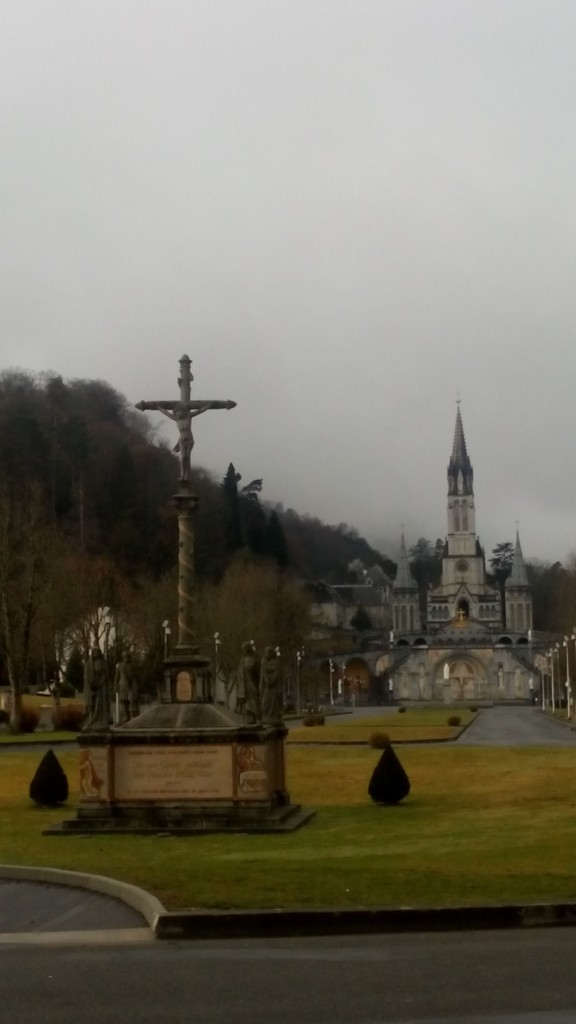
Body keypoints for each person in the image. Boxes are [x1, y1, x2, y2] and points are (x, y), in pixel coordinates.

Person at [83, 645, 110, 730]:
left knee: (100, 704)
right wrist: (91, 684)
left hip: (101, 687)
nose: (96, 654)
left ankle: (100, 721)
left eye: (97, 652)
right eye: (94, 652)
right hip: (91, 687)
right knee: (92, 705)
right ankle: (91, 721)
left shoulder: (103, 663)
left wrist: (100, 683)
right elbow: (86, 676)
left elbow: (105, 674)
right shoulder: (88, 664)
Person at [260, 646, 283, 725]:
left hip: (274, 686)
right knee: (265, 703)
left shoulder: (275, 662)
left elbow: (277, 673)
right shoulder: (263, 662)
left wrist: (272, 681)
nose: (267, 654)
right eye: (266, 653)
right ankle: (266, 717)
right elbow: (263, 673)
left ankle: (274, 717)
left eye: (269, 653)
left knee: (274, 702)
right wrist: (266, 680)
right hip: (267, 686)